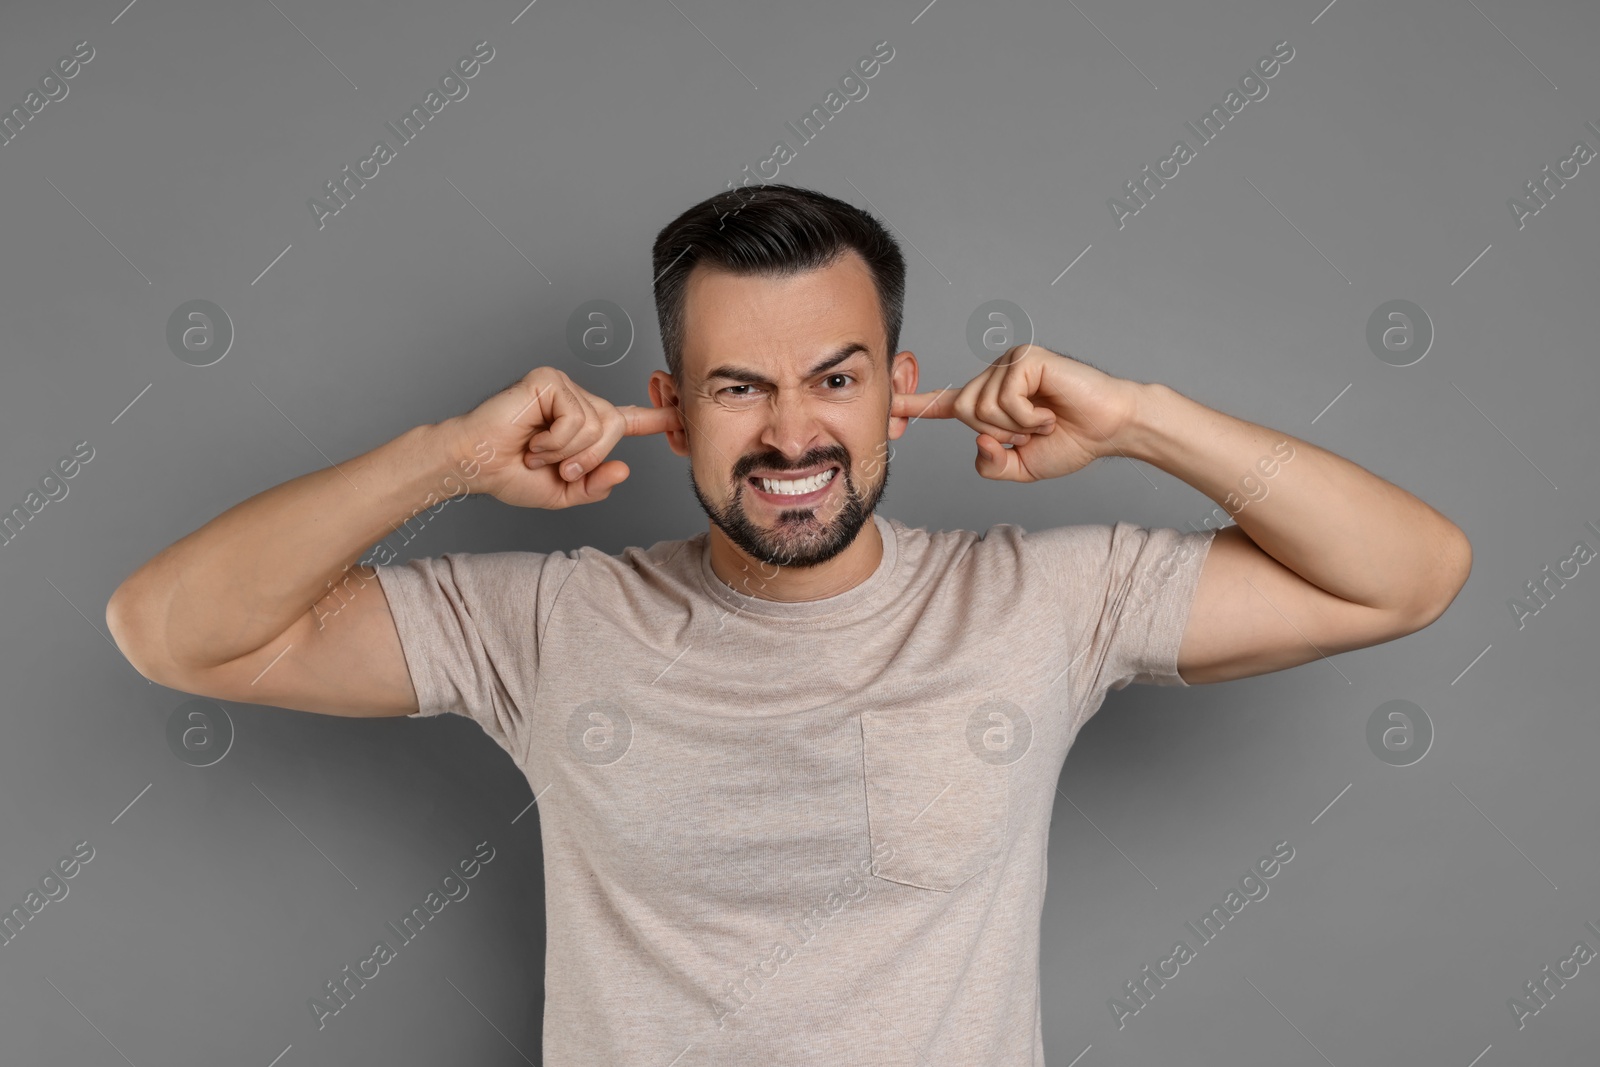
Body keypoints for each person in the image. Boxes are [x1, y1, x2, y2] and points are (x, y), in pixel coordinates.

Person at [105, 184, 1471, 1065]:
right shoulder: (548, 623)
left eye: (836, 378)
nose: (794, 432)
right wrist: (448, 460)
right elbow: (172, 630)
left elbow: (1408, 574)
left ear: (900, 392)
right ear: (674, 405)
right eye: (740, 387)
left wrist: (1140, 422)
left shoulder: (1042, 600)